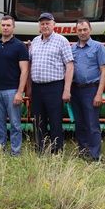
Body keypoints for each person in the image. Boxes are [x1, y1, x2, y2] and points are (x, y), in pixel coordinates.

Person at [28, 12, 74, 154]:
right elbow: (29, 65)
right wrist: (29, 88)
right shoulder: (34, 41)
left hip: (54, 87)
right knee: (38, 120)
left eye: (48, 23)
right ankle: (40, 150)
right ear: (39, 26)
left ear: (54, 25)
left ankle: (56, 151)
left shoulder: (62, 41)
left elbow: (70, 66)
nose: (45, 26)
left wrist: (67, 90)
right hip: (37, 87)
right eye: (42, 23)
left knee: (55, 120)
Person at [0, 15, 29, 155]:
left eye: (8, 25)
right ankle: (0, 149)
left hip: (12, 90)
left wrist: (19, 92)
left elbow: (24, 71)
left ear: (13, 27)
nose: (5, 28)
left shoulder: (20, 46)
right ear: (0, 27)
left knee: (15, 123)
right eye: (3, 25)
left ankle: (15, 152)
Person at [70, 19, 105, 161]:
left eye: (85, 29)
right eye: (79, 30)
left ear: (90, 30)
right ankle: (83, 151)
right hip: (75, 89)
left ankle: (94, 155)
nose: (82, 32)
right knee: (79, 123)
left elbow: (104, 71)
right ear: (76, 31)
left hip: (91, 90)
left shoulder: (98, 47)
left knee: (92, 123)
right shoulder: (72, 48)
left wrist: (99, 93)